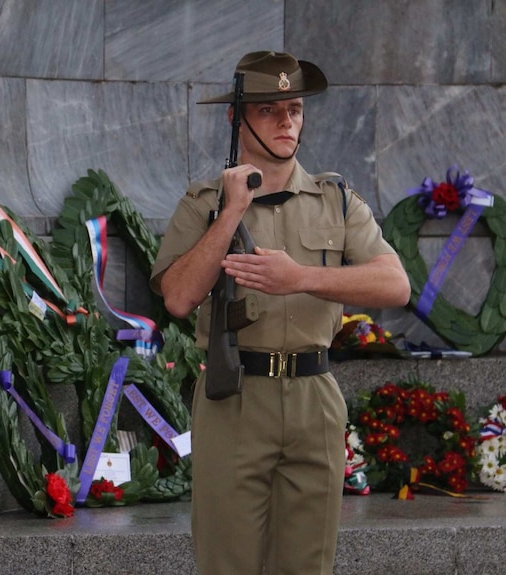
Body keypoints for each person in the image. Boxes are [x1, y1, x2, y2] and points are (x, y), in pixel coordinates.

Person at [150, 51, 410, 574]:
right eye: (269, 110)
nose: (286, 121)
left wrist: (302, 278)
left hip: (315, 398)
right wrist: (231, 214)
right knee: (228, 562)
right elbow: (177, 297)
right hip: (236, 398)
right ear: (237, 117)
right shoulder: (204, 203)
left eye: (294, 109)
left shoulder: (336, 200)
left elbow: (395, 284)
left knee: (308, 565)